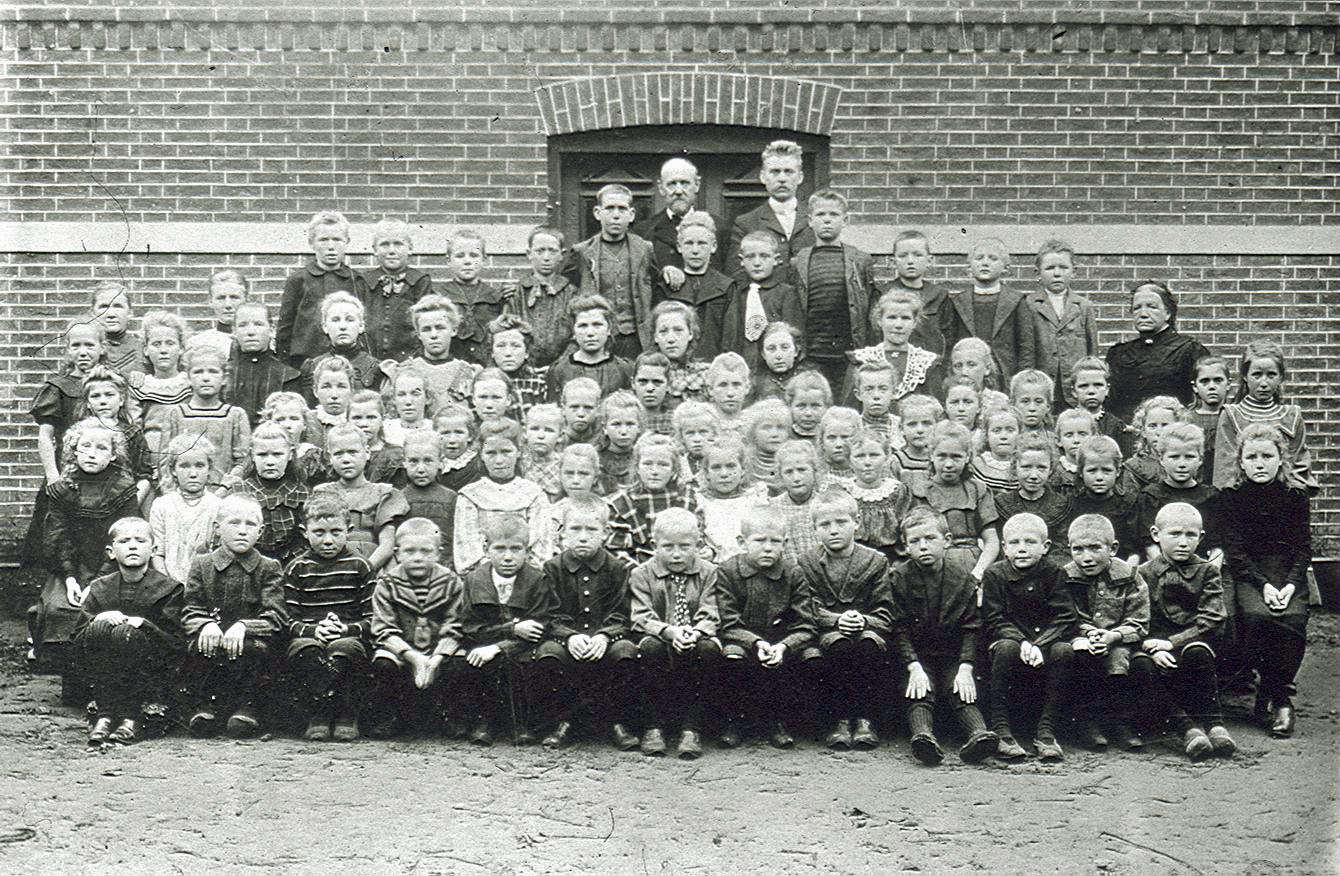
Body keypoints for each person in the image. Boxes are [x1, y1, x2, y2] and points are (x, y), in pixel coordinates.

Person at [1218, 423, 1313, 739]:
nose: (1260, 463)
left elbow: (1303, 547)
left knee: (1293, 619)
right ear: (1241, 462)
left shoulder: (1295, 495)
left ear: (1280, 460)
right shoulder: (1232, 497)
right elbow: (1235, 551)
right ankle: (1273, 693)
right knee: (1258, 618)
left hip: (1287, 573)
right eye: (1252, 456)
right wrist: (1264, 586)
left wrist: (1289, 585)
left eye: (1267, 456)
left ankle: (1277, 696)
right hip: (1250, 573)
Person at [30, 419, 141, 683]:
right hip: (72, 566)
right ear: (74, 450)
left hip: (113, 567)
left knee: (107, 614)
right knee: (59, 609)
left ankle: (105, 680)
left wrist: (97, 582)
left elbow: (124, 537)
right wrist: (69, 578)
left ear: (113, 454)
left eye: (101, 448)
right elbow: (58, 536)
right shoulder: (62, 488)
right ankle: (73, 679)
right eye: (86, 446)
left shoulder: (123, 489)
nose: (92, 453)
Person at [890, 508, 998, 765]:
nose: (923, 546)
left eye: (930, 538)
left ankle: (978, 735)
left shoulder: (963, 578)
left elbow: (972, 627)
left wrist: (966, 666)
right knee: (919, 688)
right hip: (917, 655)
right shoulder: (899, 578)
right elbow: (898, 628)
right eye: (914, 541)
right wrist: (913, 665)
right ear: (905, 547)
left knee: (960, 687)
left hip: (953, 654)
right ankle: (923, 737)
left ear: (947, 540)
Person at [1133, 503, 1235, 760]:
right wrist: (1151, 646)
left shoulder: (1207, 571)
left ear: (1201, 538)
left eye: (1191, 535)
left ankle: (1215, 725)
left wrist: (1172, 642)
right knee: (1141, 666)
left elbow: (1212, 619)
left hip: (1193, 640)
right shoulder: (1142, 574)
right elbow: (1135, 617)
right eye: (1175, 534)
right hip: (1152, 646)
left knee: (1198, 652)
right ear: (1156, 535)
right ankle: (1187, 729)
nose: (1183, 542)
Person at [540, 494, 640, 750]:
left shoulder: (618, 568)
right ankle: (563, 722)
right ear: (562, 533)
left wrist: (605, 635)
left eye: (591, 529)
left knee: (625, 652)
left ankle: (616, 722)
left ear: (605, 532)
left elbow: (621, 612)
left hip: (605, 638)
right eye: (575, 529)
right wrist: (569, 635)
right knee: (549, 654)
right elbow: (550, 612)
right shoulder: (553, 568)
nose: (583, 536)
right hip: (567, 638)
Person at [798, 489, 895, 751]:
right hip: (826, 631)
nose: (833, 530)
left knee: (867, 645)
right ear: (815, 529)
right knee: (838, 645)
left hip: (867, 629)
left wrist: (862, 620)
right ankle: (840, 721)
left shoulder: (875, 561)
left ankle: (864, 720)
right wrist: (837, 620)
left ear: (857, 522)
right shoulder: (806, 563)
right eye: (825, 524)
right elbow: (807, 608)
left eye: (841, 522)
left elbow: (885, 611)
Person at [181, 495, 285, 738]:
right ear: (217, 529)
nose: (242, 531)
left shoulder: (269, 567)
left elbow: (275, 615)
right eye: (234, 523)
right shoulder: (202, 564)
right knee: (200, 646)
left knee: (255, 649)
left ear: (260, 532)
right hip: (212, 642)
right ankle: (206, 707)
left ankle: (247, 708)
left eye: (250, 525)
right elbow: (190, 608)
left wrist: (243, 626)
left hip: (249, 645)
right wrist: (205, 624)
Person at [457, 514, 562, 746]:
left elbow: (539, 627)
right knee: (477, 661)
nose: (507, 557)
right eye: (500, 549)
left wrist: (498, 646)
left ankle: (520, 723)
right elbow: (470, 627)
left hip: (523, 649)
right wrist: (512, 628)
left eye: (516, 549)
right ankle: (485, 721)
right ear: (486, 548)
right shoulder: (474, 580)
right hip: (483, 646)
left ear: (527, 550)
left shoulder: (538, 579)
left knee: (523, 665)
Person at [715, 505, 815, 749]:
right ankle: (735, 721)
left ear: (785, 543)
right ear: (742, 541)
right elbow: (727, 621)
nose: (768, 547)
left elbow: (806, 624)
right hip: (741, 639)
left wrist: (784, 646)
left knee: (804, 657)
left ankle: (776, 722)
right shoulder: (728, 572)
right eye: (760, 540)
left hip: (780, 643)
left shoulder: (793, 574)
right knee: (733, 658)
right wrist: (755, 642)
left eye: (775, 541)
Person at [74, 518, 182, 745]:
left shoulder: (169, 589)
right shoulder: (100, 587)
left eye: (140, 540)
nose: (133, 546)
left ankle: (130, 718)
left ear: (153, 550)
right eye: (124, 541)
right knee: (102, 627)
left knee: (127, 634)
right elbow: (78, 639)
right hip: (105, 666)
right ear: (111, 552)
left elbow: (175, 641)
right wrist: (98, 619)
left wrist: (143, 624)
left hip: (152, 665)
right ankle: (105, 715)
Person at [981, 512, 1076, 762]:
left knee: (1064, 650)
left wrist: (1039, 643)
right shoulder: (994, 575)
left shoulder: (1054, 573)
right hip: (1011, 641)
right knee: (1006, 647)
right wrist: (1023, 641)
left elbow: (1065, 616)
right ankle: (1001, 730)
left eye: (1030, 542)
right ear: (1003, 547)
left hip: (1044, 642)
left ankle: (1046, 731)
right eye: (1014, 543)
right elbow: (994, 618)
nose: (1021, 549)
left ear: (1045, 547)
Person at [629, 507, 721, 759]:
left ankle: (692, 729)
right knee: (649, 649)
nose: (677, 554)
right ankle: (653, 727)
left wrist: (696, 632)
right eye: (668, 547)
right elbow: (640, 616)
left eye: (685, 546)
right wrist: (668, 632)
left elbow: (710, 611)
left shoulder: (709, 572)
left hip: (695, 635)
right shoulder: (641, 574)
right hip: (659, 636)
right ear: (654, 544)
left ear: (698, 544)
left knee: (708, 650)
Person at [282, 492, 375, 742]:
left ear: (349, 530)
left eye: (336, 532)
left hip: (348, 635)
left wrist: (345, 630)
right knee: (307, 650)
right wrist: (313, 631)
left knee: (345, 649)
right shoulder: (296, 569)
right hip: (310, 634)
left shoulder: (361, 566)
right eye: (319, 532)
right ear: (304, 532)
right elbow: (288, 619)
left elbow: (373, 618)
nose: (328, 540)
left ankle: (346, 713)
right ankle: (319, 713)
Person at [367, 518, 466, 739]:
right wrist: (413, 657)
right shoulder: (387, 583)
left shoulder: (452, 582)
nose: (418, 557)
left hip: (438, 648)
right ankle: (389, 718)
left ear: (439, 553)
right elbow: (383, 629)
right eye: (410, 551)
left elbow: (455, 625)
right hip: (403, 648)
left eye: (426, 551)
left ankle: (451, 717)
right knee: (383, 664)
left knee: (459, 664)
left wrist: (437, 657)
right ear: (397, 553)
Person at [1063, 514, 1149, 752]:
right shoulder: (1066, 577)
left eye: (1095, 548)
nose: (1086, 558)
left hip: (1120, 640)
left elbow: (1139, 620)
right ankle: (1087, 722)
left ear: (1113, 548)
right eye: (1078, 550)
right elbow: (1066, 615)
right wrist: (1088, 633)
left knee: (1119, 658)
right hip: (1080, 638)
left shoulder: (1130, 575)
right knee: (1081, 656)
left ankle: (1119, 722)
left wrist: (1115, 636)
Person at [790, 189, 877, 393]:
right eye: (821, 215)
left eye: (834, 215)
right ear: (810, 220)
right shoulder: (799, 261)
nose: (827, 220)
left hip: (849, 355)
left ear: (845, 220)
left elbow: (869, 307)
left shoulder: (860, 260)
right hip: (811, 356)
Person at [1213, 339, 1317, 492]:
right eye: (1257, 375)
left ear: (1281, 377)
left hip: (1284, 499)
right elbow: (1225, 470)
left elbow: (1300, 464)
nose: (1263, 383)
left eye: (1271, 375)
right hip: (1242, 500)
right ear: (1245, 376)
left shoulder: (1292, 416)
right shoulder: (1232, 415)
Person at [567, 183, 657, 359]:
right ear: (597, 213)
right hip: (599, 337)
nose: (616, 215)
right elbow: (567, 291)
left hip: (636, 338)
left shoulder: (645, 249)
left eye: (622, 209)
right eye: (609, 208)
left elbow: (656, 285)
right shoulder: (582, 251)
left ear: (631, 215)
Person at [452, 418, 551, 572]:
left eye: (506, 452)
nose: (499, 460)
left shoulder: (533, 494)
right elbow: (467, 545)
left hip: (527, 576)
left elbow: (541, 544)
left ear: (519, 452)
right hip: (482, 578)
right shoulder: (470, 495)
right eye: (491, 453)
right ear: (481, 455)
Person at [1106, 280, 1211, 422]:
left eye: (1152, 307)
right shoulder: (1118, 354)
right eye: (1137, 308)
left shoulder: (1189, 350)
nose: (1143, 314)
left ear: (1168, 313)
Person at [909, 421, 1000, 581]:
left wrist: (979, 571)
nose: (949, 464)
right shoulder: (920, 492)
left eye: (956, 457)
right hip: (932, 567)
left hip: (972, 566)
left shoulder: (978, 490)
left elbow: (991, 540)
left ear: (967, 456)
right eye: (942, 456)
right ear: (931, 455)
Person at [314, 423, 409, 572]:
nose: (346, 459)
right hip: (331, 567)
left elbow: (387, 544)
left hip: (374, 567)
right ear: (329, 457)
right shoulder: (323, 493)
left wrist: (365, 570)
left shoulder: (383, 493)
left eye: (353, 452)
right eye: (339, 454)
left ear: (367, 452)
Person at [277, 210, 366, 367]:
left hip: (348, 361)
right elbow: (285, 328)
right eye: (323, 240)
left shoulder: (357, 280)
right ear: (312, 243)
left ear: (347, 242)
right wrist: (285, 367)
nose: (331, 246)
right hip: (305, 360)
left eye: (337, 240)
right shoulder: (298, 280)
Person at [943, 237, 1035, 382]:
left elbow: (1026, 347)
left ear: (1005, 267)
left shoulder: (1016, 301)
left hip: (1005, 374)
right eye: (979, 258)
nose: (985, 262)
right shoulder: (957, 302)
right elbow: (950, 344)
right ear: (969, 267)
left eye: (993, 258)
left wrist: (1021, 378)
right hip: (967, 374)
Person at [160, 344, 251, 483]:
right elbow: (165, 461)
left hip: (224, 493)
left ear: (224, 378)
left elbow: (243, 461)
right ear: (188, 378)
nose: (206, 378)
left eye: (213, 371)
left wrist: (226, 487)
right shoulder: (175, 414)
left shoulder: (235, 415)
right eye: (198, 372)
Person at [607, 433, 702, 566]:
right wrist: (641, 575)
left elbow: (698, 538)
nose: (654, 471)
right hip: (639, 573)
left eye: (663, 465)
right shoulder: (623, 502)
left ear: (674, 469)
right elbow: (616, 550)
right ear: (637, 468)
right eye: (647, 464)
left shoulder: (687, 497)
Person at [632, 157, 725, 290]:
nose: (679, 191)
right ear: (661, 188)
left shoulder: (720, 228)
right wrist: (662, 273)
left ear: (697, 185)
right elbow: (640, 282)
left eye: (685, 183)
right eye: (672, 184)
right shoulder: (644, 231)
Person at [1027, 239, 1099, 409]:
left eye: (1063, 267)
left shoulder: (1083, 307)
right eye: (1050, 268)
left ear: (1074, 271)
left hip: (1074, 389)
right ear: (1038, 273)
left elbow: (1092, 352)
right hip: (1042, 388)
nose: (1057, 273)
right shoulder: (1028, 305)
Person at [726, 139, 815, 277]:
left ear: (800, 177)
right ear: (763, 177)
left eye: (789, 172)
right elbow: (736, 272)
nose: (782, 178)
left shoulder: (815, 220)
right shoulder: (746, 223)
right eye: (775, 172)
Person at [229, 420, 312, 565]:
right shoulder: (239, 492)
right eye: (262, 455)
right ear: (252, 455)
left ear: (291, 454)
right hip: (246, 562)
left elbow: (307, 538)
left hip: (291, 563)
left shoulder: (301, 493)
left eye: (277, 454)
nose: (270, 462)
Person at [1134, 422, 1220, 562]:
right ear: (1161, 459)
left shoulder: (1211, 496)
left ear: (1200, 460)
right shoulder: (1151, 495)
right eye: (1174, 457)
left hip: (1202, 569)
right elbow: (1150, 546)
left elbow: (1218, 546)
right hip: (1162, 568)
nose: (1181, 464)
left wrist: (1208, 574)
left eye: (1189, 457)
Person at [844, 288, 944, 407]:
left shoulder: (926, 364)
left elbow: (937, 410)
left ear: (915, 323)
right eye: (891, 318)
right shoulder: (861, 360)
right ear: (880, 321)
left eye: (905, 318)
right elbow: (848, 410)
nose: (898, 325)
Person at [720, 233, 802, 370]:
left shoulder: (787, 294)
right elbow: (729, 335)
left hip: (775, 368)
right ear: (741, 260)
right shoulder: (735, 292)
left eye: (764, 256)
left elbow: (794, 337)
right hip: (741, 366)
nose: (757, 263)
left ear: (776, 260)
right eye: (750, 257)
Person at [149, 434, 223, 584]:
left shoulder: (218, 506)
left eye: (200, 466)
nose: (193, 474)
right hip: (168, 584)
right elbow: (157, 554)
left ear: (209, 469)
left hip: (207, 584)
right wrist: (168, 584)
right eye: (184, 466)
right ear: (173, 470)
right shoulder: (162, 505)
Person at [360, 217, 435, 362]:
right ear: (375, 250)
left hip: (409, 359)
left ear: (410, 249)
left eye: (398, 244)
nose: (392, 251)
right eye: (385, 245)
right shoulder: (364, 282)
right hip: (370, 358)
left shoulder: (420, 282)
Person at [662, 211, 732, 359]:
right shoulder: (666, 285)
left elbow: (730, 337)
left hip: (712, 362)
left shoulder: (726, 287)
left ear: (713, 247)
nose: (695, 250)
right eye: (689, 243)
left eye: (701, 244)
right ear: (679, 247)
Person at [439, 228, 512, 368]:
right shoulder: (440, 296)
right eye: (460, 256)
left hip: (487, 365)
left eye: (474, 255)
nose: (467, 261)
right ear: (449, 260)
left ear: (484, 259)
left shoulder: (495, 297)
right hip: (452, 363)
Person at [995, 435, 1072, 565]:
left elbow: (1061, 548)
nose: (1034, 475)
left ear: (1051, 469)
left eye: (1041, 468)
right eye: (1026, 467)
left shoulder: (1062, 504)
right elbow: (1000, 547)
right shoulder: (1002, 503)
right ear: (1015, 468)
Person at [395, 294, 480, 408]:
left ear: (453, 330)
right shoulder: (403, 371)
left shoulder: (469, 373)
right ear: (419, 334)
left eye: (440, 328)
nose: (434, 335)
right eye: (426, 329)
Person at [508, 226, 575, 368]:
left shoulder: (571, 293)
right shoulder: (516, 293)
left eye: (552, 251)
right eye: (539, 251)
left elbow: (576, 335)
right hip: (523, 367)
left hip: (562, 367)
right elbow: (508, 332)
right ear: (529, 254)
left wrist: (559, 365)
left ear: (562, 255)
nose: (546, 257)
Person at [544, 294, 634, 399]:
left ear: (609, 329)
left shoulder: (624, 369)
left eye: (597, 325)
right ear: (573, 331)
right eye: (583, 326)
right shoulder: (559, 370)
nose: (590, 333)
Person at [227, 301, 301, 427]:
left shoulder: (289, 375)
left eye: (258, 324)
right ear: (234, 331)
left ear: (271, 330)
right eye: (243, 325)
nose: (250, 332)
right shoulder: (224, 375)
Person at [299, 291, 381, 404]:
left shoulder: (374, 367)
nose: (342, 326)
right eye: (335, 320)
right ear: (325, 327)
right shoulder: (312, 366)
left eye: (349, 320)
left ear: (361, 326)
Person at [399, 430, 458, 571]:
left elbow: (454, 540)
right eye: (413, 461)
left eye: (428, 461)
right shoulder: (398, 498)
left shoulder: (451, 498)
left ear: (441, 462)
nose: (420, 469)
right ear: (404, 462)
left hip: (443, 567)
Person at [888, 229, 950, 358]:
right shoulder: (884, 294)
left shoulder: (939, 295)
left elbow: (949, 337)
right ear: (893, 262)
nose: (910, 261)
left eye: (918, 255)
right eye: (903, 255)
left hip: (931, 363)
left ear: (929, 260)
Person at [487, 314, 548, 415]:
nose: (508, 353)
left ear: (527, 353)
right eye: (501, 346)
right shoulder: (484, 382)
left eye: (515, 346)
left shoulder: (538, 383)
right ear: (492, 352)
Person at [1069, 356, 1130, 455]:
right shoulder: (1066, 423)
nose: (1091, 391)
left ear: (1107, 389)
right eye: (1083, 386)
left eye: (1098, 385)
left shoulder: (1116, 426)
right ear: (1074, 391)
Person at [1186, 354, 1231, 486]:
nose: (1212, 386)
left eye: (1218, 380)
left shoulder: (1234, 416)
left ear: (1228, 384)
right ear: (1195, 387)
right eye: (1205, 381)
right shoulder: (1187, 418)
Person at [90, 280, 145, 377]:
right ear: (93, 313)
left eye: (118, 306)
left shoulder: (144, 350)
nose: (111, 314)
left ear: (130, 313)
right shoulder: (83, 349)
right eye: (104, 307)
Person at [191, 268, 248, 361]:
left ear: (246, 299)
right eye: (221, 298)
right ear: (210, 301)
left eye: (234, 297)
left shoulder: (265, 342)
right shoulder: (198, 344)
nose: (228, 305)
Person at [595, 390, 642, 495]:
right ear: (604, 428)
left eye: (630, 424)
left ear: (639, 427)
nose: (624, 432)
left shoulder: (643, 457)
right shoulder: (596, 458)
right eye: (616, 424)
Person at [630, 352, 675, 436]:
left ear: (669, 384)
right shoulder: (625, 419)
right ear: (633, 383)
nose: (650, 388)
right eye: (643, 382)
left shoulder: (675, 421)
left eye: (657, 382)